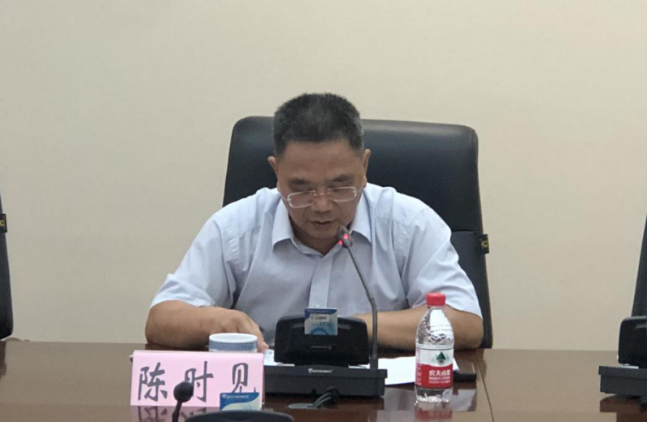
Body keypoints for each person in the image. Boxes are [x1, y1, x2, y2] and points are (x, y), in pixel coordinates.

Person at [145, 93, 483, 352]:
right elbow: (161, 318)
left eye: (339, 186)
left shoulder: (409, 223)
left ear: (364, 167)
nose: (322, 205)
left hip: (383, 400)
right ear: (276, 172)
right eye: (301, 188)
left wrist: (354, 328)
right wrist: (218, 320)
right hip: (265, 400)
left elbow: (465, 322)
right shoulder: (237, 227)